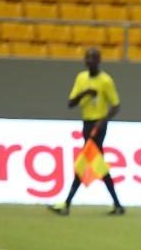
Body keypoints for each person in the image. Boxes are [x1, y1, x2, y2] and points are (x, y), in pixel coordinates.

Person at [48, 48, 126, 216]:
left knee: (84, 161)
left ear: (99, 61)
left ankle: (67, 204)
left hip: (98, 125)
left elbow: (116, 105)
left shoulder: (105, 81)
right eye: (88, 58)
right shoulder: (81, 78)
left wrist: (103, 121)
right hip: (86, 124)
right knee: (98, 164)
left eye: (93, 58)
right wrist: (85, 93)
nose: (90, 61)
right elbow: (71, 103)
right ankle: (118, 205)